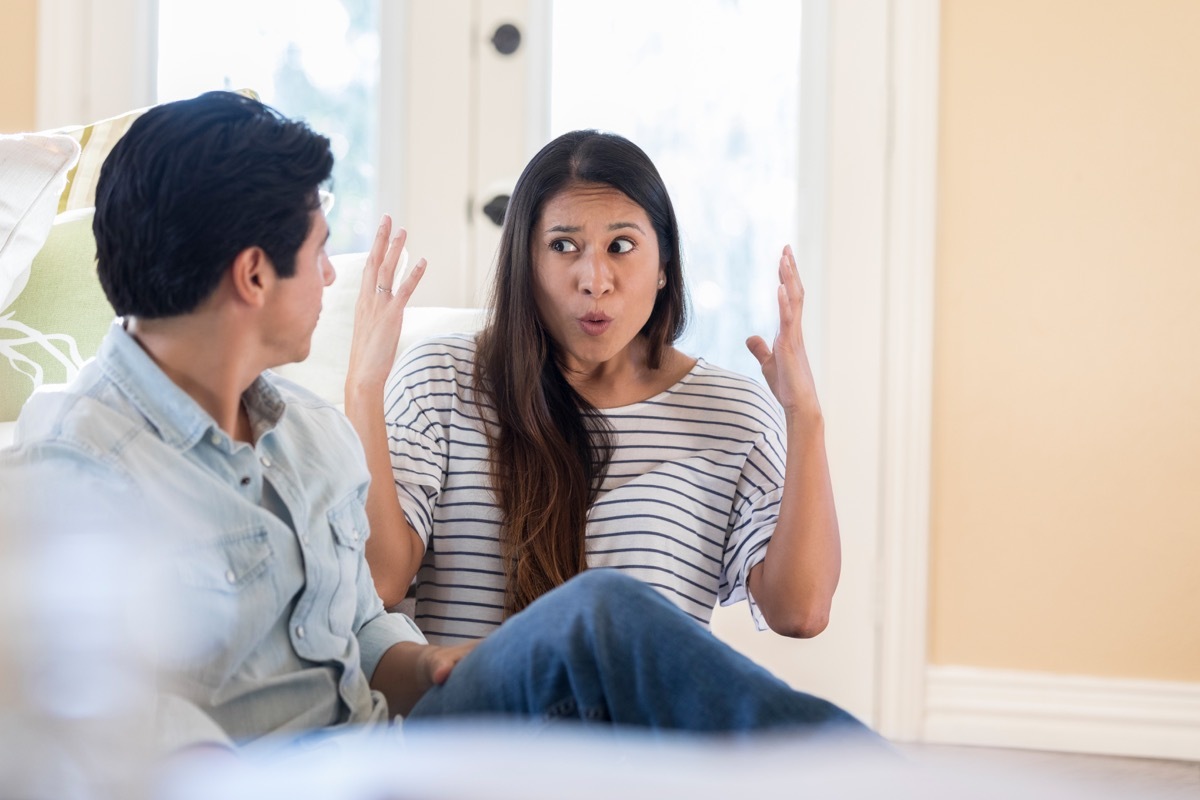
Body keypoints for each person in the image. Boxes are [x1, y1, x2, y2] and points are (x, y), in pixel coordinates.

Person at [0, 92, 875, 755]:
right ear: (255, 275)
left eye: (622, 248)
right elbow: (105, 735)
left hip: (382, 740)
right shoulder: (69, 476)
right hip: (290, 772)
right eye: (318, 251)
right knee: (599, 620)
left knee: (599, 618)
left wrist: (425, 665)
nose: (333, 280)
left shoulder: (300, 436)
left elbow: (358, 621)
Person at [348, 130, 840, 646]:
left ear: (664, 269)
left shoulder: (730, 412)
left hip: (641, 720)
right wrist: (363, 386)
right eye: (563, 246)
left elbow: (801, 612)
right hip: (483, 716)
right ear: (526, 263)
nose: (595, 279)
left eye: (621, 246)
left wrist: (804, 416)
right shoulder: (440, 379)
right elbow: (379, 581)